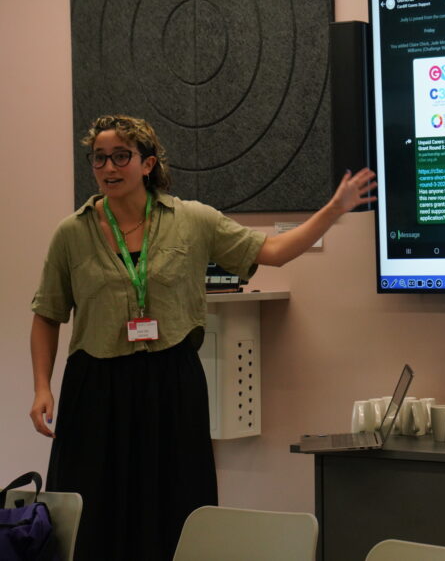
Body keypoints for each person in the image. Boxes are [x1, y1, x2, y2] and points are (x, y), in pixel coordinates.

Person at [28, 115, 376, 560]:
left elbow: (273, 252)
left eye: (120, 157)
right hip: (96, 387)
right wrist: (42, 386)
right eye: (99, 158)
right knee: (95, 510)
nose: (108, 168)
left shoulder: (191, 220)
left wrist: (333, 209)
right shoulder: (71, 234)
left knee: (174, 506)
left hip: (170, 382)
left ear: (147, 163)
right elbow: (47, 314)